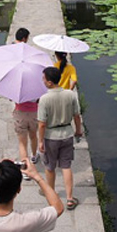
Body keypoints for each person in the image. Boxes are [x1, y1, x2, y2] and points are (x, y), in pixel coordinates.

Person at [38, 67, 83, 210]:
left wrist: (40, 141)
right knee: (66, 166)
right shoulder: (70, 95)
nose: (43, 81)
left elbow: (42, 124)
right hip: (67, 134)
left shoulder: (44, 99)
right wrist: (78, 131)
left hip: (51, 136)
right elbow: (77, 116)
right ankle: (70, 198)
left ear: (50, 82)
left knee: (50, 167)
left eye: (44, 79)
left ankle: (50, 193)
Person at [11, 28, 39, 168]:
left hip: (20, 112)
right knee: (33, 136)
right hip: (34, 113)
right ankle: (34, 156)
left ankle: (25, 165)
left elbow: (12, 96)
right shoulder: (36, 81)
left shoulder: (16, 82)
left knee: (22, 142)